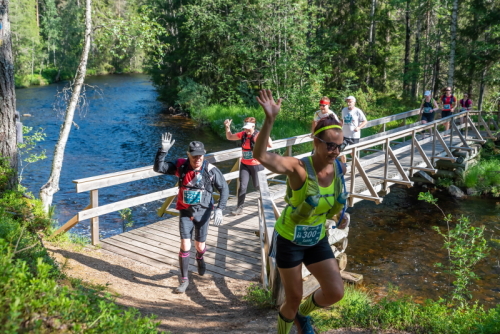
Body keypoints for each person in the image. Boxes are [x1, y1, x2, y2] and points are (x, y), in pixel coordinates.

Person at [253, 89, 349, 334]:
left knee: (335, 292)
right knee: (292, 298)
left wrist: (340, 215)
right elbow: (261, 155)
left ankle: (303, 317)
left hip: (316, 238)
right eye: (330, 146)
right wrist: (270, 120)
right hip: (289, 240)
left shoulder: (339, 167)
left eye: (339, 146)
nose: (335, 151)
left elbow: (332, 202)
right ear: (315, 142)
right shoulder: (298, 168)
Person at [153, 134, 229, 293]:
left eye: (200, 156)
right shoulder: (181, 166)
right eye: (194, 156)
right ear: (188, 155)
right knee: (185, 245)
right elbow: (159, 168)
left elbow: (224, 189)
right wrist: (163, 151)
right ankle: (184, 280)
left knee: (199, 246)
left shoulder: (211, 170)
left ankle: (200, 257)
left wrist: (220, 208)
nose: (197, 159)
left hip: (203, 213)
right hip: (185, 212)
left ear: (204, 154)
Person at [223, 117, 272, 215]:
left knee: (257, 186)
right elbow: (230, 137)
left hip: (256, 165)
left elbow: (270, 145)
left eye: (248, 128)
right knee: (242, 186)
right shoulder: (243, 135)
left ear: (253, 127)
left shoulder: (258, 135)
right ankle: (239, 208)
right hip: (245, 164)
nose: (246, 130)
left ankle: (267, 201)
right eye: (245, 128)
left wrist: (265, 133)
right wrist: (227, 128)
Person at [339, 96, 367, 164]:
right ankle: (344, 165)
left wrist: (358, 127)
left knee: (353, 153)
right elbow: (342, 121)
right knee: (340, 150)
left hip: (354, 136)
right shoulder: (344, 110)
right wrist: (339, 128)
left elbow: (365, 121)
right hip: (345, 135)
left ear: (354, 102)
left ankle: (355, 165)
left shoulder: (357, 111)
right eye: (347, 102)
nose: (348, 103)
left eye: (350, 102)